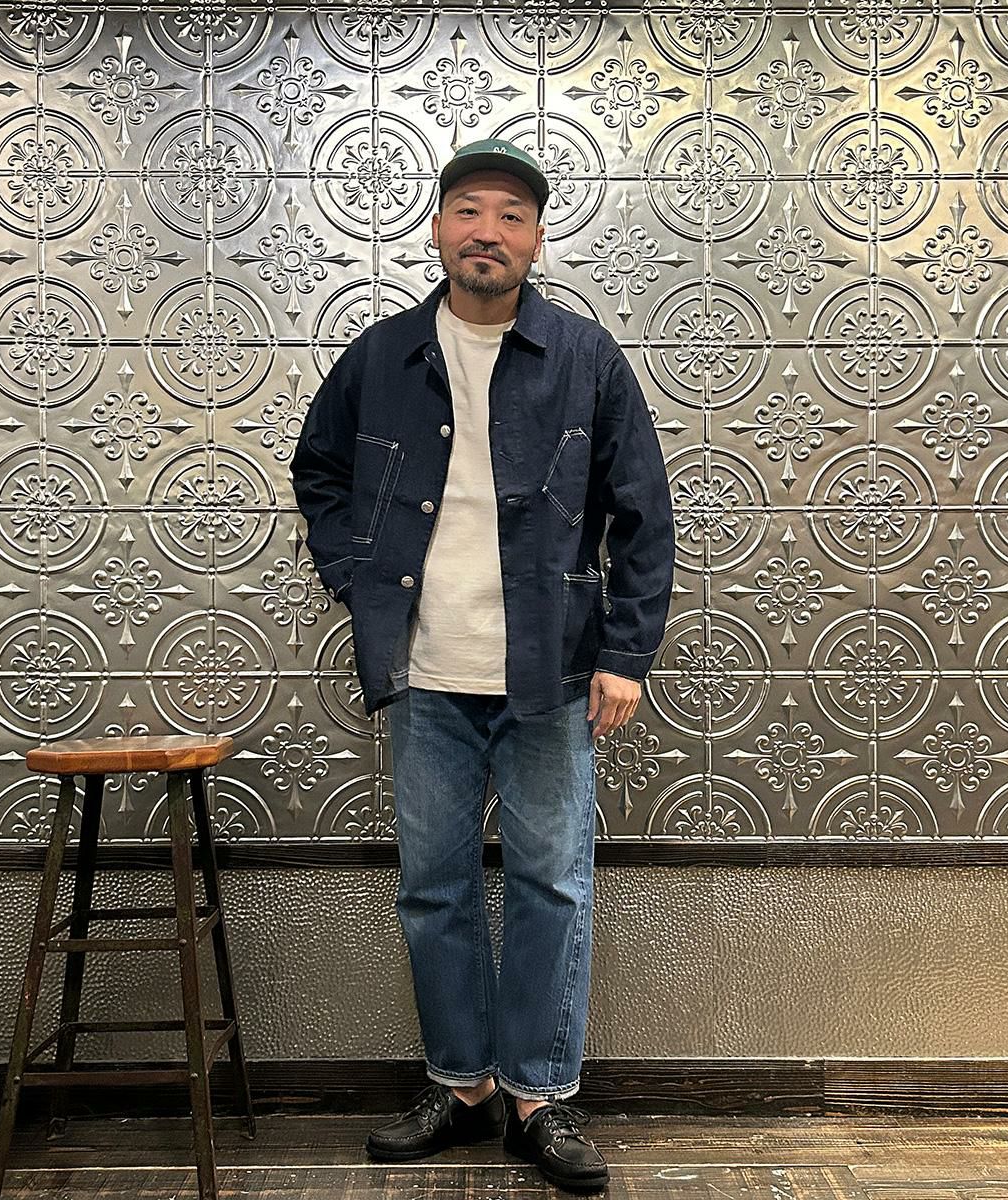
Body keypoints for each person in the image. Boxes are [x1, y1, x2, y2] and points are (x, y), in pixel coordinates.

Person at [291, 137, 674, 1193]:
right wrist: (355, 578)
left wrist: (627, 653)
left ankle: (539, 1097)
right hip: (423, 673)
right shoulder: (381, 356)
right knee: (434, 890)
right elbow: (319, 472)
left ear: (537, 239)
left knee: (552, 885)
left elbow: (644, 513)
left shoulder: (585, 357)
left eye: (510, 215)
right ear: (437, 229)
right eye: (468, 211)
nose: (487, 232)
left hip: (552, 676)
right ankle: (461, 1088)